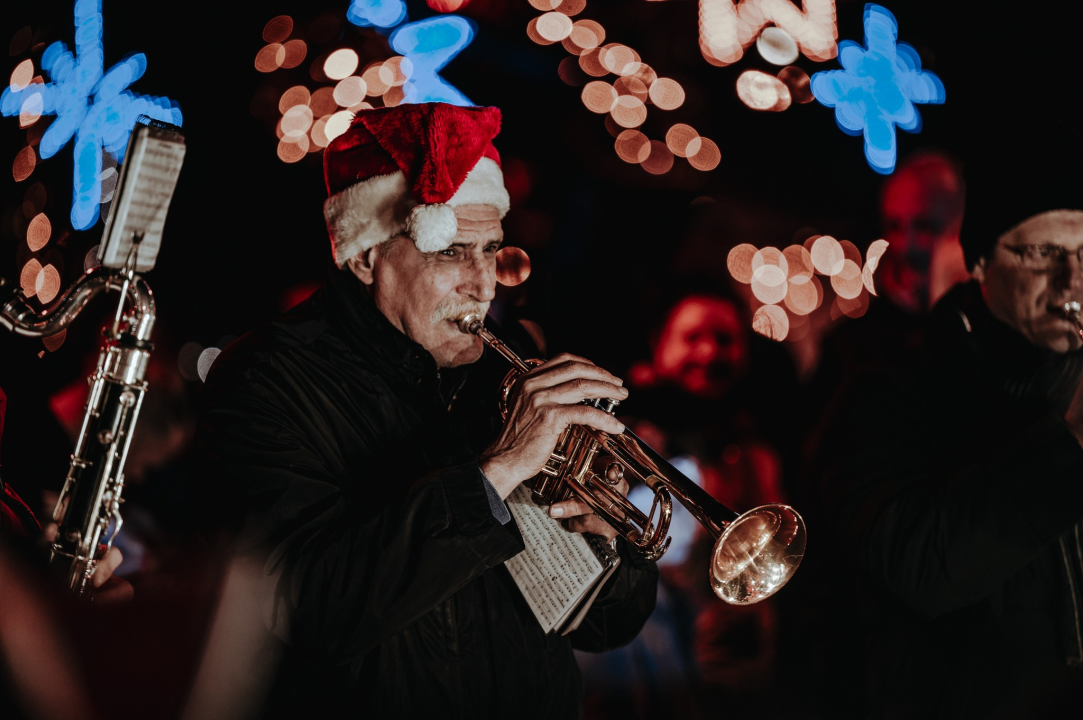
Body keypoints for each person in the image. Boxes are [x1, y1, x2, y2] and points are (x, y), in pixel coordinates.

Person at [197, 102, 658, 718]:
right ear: (365, 257)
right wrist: (494, 473)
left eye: (491, 250)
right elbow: (307, 610)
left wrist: (606, 547)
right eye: (450, 252)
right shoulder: (262, 380)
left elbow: (606, 631)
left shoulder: (508, 363)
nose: (484, 283)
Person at [817, 144, 1083, 718]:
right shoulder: (882, 395)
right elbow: (923, 569)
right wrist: (1071, 445)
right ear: (981, 260)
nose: (1073, 280)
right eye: (1044, 252)